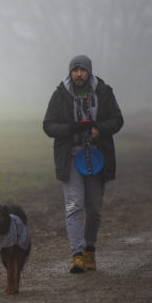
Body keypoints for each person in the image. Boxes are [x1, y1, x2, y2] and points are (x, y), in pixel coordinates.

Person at [43, 54, 123, 274]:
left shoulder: (104, 92)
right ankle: (76, 255)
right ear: (70, 72)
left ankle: (90, 250)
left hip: (97, 157)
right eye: (75, 70)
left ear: (89, 72)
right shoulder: (60, 95)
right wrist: (71, 129)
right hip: (70, 156)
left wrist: (100, 129)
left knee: (95, 209)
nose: (78, 74)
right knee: (74, 205)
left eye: (82, 70)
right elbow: (48, 126)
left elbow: (118, 120)